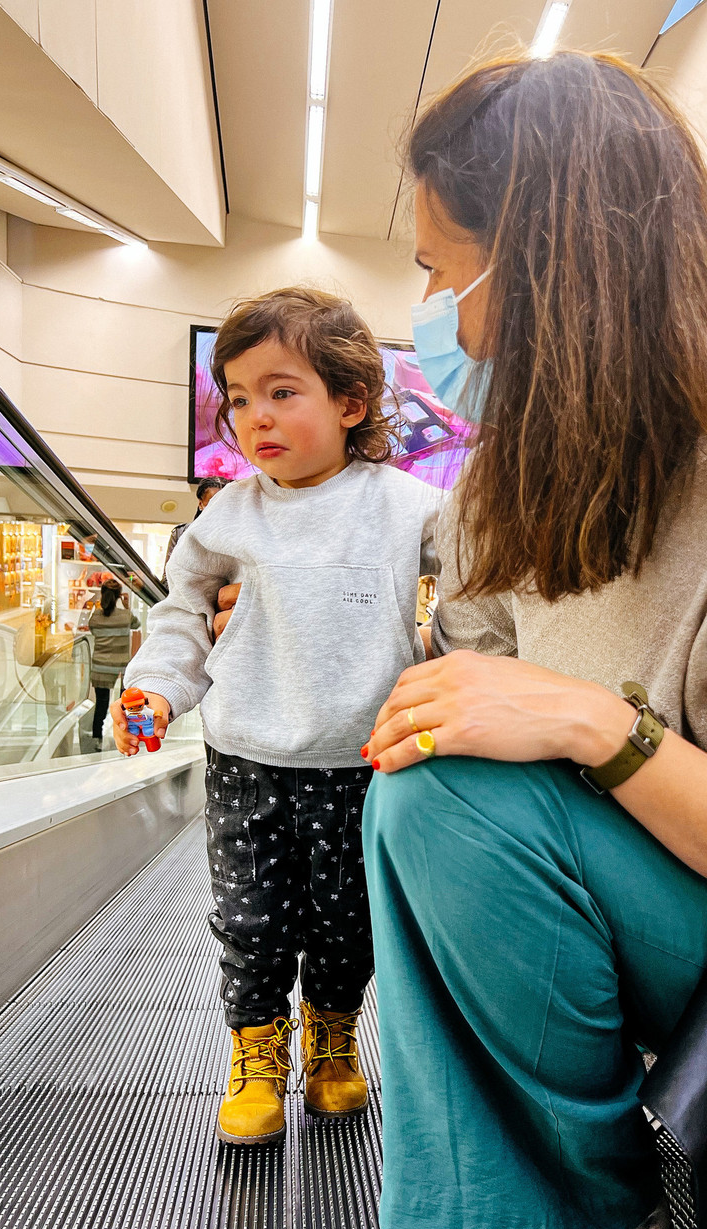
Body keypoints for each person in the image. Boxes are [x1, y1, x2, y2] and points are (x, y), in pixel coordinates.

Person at [338, 51, 707, 1229]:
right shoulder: (498, 497)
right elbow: (473, 705)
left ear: (543, 268)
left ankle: (587, 1214)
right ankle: (498, 1187)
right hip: (652, 909)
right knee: (427, 776)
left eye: (440, 269)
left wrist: (597, 722)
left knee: (454, 797)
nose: (427, 309)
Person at [114, 289, 441, 1148]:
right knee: (252, 917)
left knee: (348, 921)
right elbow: (182, 613)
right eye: (239, 398)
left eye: (281, 391)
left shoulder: (408, 506)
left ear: (350, 402)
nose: (254, 417)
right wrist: (154, 690)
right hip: (248, 754)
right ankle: (257, 1055)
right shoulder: (230, 513)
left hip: (364, 757)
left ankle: (334, 1046)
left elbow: (484, 602)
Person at [82, 577, 139, 747]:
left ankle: (97, 738)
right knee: (125, 705)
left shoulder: (96, 617)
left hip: (100, 666)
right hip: (121, 667)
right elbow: (136, 624)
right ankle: (126, 737)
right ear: (118, 596)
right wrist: (127, 606)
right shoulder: (125, 616)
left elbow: (92, 628)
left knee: (101, 705)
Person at [163, 478, 224, 583]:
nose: (217, 507)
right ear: (201, 504)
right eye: (211, 502)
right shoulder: (180, 533)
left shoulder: (234, 537)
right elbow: (167, 579)